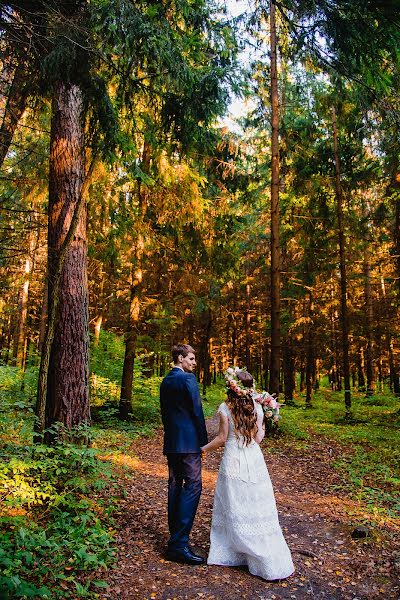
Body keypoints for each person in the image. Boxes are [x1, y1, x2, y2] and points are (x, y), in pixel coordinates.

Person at [201, 368, 294, 581]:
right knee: (255, 502)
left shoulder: (225, 407)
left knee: (234, 503)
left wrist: (202, 450)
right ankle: (259, 548)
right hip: (253, 458)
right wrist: (264, 422)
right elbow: (259, 438)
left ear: (231, 387)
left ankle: (237, 549)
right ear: (250, 387)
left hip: (233, 459)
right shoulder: (258, 407)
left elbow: (222, 439)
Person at [160, 343, 208, 565]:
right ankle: (179, 544)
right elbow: (197, 412)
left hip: (172, 443)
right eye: (191, 359)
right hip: (189, 444)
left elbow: (166, 414)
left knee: (175, 487)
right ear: (180, 358)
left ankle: (175, 539)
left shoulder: (165, 380)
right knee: (193, 487)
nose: (194, 363)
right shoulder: (188, 380)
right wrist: (202, 443)